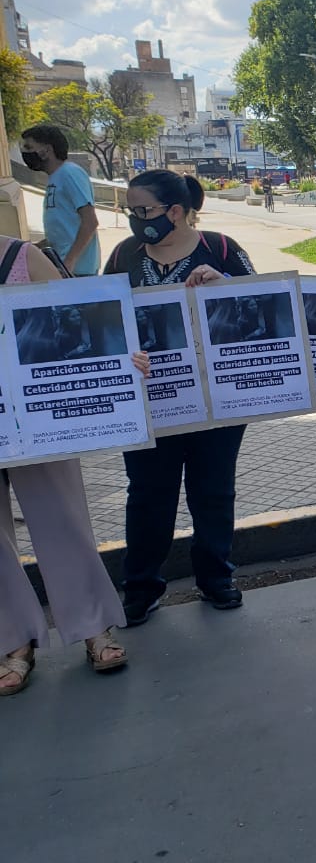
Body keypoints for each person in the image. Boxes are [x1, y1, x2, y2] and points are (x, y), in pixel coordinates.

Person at [105, 170, 257, 625]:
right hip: (151, 401)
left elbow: (262, 308)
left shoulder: (223, 250)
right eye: (131, 211)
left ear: (175, 211)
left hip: (217, 401)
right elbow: (100, 316)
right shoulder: (124, 255)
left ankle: (215, 577)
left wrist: (225, 286)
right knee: (148, 494)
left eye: (143, 211)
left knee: (213, 490)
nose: (136, 219)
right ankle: (141, 586)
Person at [0, 236, 147, 695]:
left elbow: (81, 318)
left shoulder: (20, 257)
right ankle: (12, 641)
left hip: (39, 417)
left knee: (62, 517)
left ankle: (93, 626)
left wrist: (121, 362)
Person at [19, 124, 100, 276]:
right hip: (63, 267)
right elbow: (64, 228)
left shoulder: (70, 173)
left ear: (46, 150)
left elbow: (90, 221)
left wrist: (70, 261)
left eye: (29, 148)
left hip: (77, 271)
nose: (25, 153)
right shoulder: (55, 178)